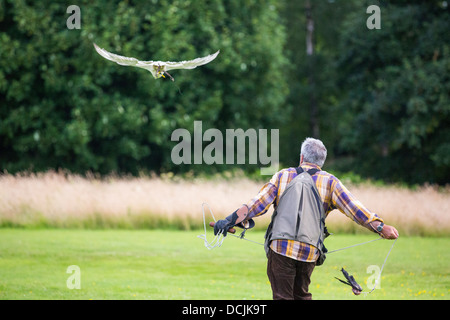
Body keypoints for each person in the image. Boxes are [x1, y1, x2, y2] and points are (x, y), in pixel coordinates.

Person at [214, 137, 399, 300]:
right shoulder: (331, 182)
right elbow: (355, 209)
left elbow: (257, 205)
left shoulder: (283, 176)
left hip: (280, 248)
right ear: (321, 162)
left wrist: (229, 221)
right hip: (309, 251)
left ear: (301, 157)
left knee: (282, 297)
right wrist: (381, 227)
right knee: (301, 296)